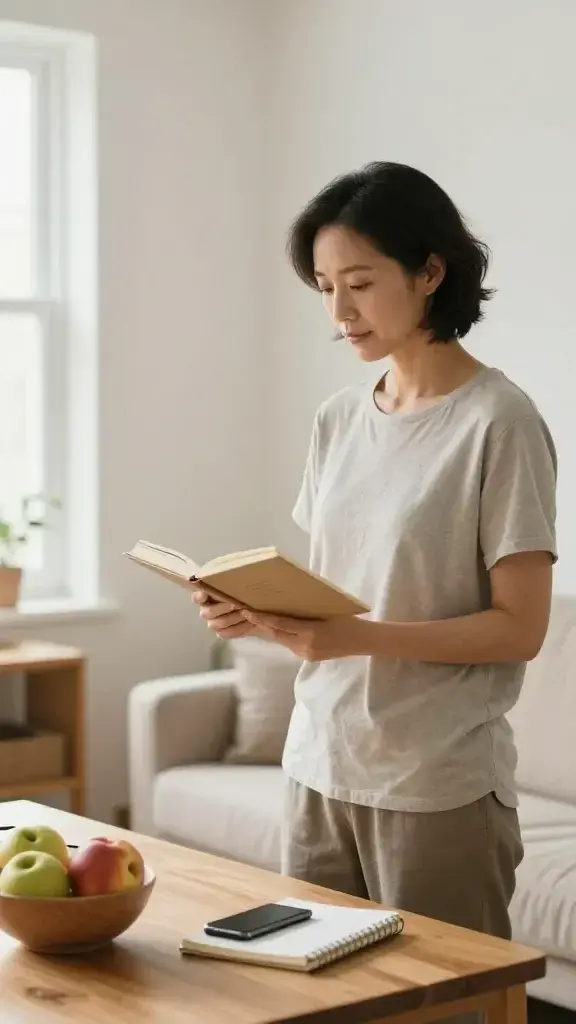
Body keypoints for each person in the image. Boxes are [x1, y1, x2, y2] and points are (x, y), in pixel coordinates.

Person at [193, 162, 557, 1000]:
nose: (338, 311)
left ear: (430, 271)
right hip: (319, 763)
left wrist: (356, 637)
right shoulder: (338, 419)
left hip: (436, 788)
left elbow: (520, 628)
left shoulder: (499, 423)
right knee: (314, 1004)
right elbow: (343, 586)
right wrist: (257, 611)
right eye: (324, 286)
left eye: (359, 282)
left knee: (444, 1014)